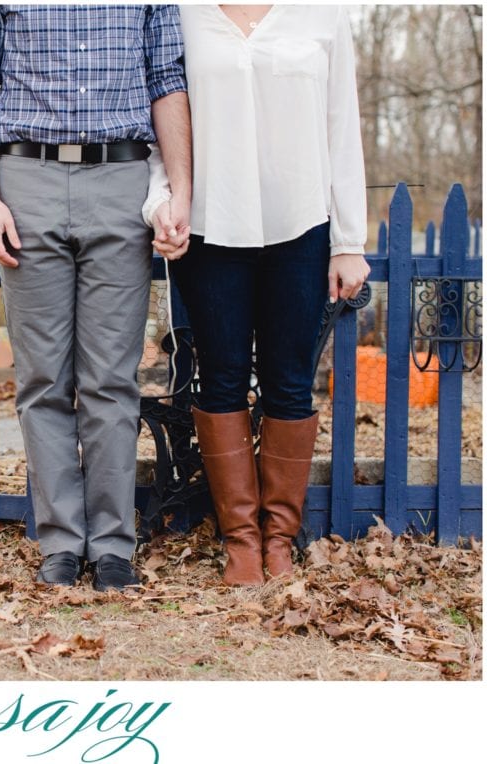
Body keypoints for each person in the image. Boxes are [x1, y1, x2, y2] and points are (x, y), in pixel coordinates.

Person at [0, 5, 192, 591]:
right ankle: (60, 542)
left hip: (121, 181)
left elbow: (168, 81)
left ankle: (113, 546)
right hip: (26, 181)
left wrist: (181, 192)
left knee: (112, 378)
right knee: (43, 380)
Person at [143, 5, 371, 585]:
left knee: (288, 381)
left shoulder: (321, 17)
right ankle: (241, 542)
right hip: (212, 225)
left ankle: (279, 541)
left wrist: (348, 239)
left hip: (300, 227)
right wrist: (160, 202)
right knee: (219, 378)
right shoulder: (182, 16)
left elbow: (342, 127)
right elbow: (160, 125)